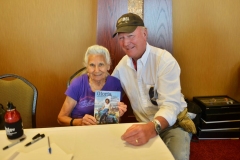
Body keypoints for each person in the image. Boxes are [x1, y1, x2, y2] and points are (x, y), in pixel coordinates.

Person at [112, 13, 192, 160]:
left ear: (145, 33)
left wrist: (152, 128)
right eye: (121, 38)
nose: (125, 42)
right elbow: (108, 95)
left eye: (130, 35)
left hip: (172, 125)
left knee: (177, 157)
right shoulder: (122, 65)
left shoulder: (164, 60)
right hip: (142, 125)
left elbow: (170, 106)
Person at [57, 45, 127, 126]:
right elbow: (61, 118)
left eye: (101, 64)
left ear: (108, 66)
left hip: (105, 131)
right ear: (87, 67)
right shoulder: (77, 84)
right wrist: (80, 122)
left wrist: (118, 114)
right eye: (92, 65)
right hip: (80, 131)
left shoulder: (115, 84)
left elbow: (115, 119)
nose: (96, 70)